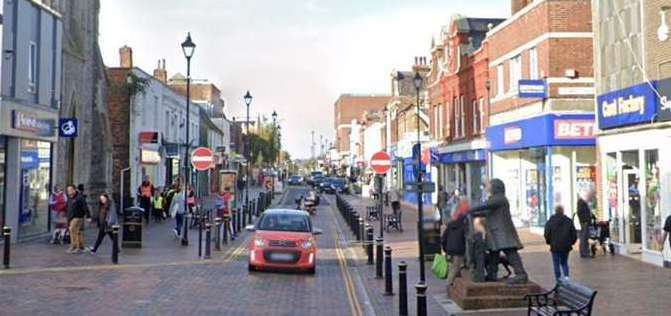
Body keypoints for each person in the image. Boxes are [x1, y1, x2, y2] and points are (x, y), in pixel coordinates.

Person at [469, 179, 528, 284]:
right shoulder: (494, 199)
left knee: (510, 252)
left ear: (495, 187)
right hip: (495, 232)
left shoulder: (499, 199)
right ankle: (492, 274)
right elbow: (486, 212)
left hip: (502, 231)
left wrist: (470, 209)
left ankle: (521, 274)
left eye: (488, 186)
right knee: (493, 253)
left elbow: (485, 206)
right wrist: (474, 214)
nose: (487, 188)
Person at [544, 205, 577, 282]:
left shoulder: (550, 221)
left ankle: (558, 280)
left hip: (555, 246)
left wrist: (549, 242)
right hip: (566, 246)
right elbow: (574, 234)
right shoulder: (568, 221)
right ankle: (566, 277)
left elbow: (546, 233)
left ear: (555, 211)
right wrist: (571, 242)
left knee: (556, 264)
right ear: (563, 211)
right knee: (564, 262)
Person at [441, 199, 469, 288]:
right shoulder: (464, 225)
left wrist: (445, 248)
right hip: (458, 250)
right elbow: (465, 238)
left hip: (450, 249)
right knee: (454, 268)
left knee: (453, 267)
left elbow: (444, 237)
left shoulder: (450, 225)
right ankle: (448, 286)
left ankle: (455, 285)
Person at [66, 184, 89, 253]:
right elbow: (69, 207)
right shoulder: (69, 197)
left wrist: (88, 216)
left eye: (70, 190)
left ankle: (74, 246)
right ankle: (81, 246)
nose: (69, 191)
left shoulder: (79, 197)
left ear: (74, 190)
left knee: (72, 230)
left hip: (78, 217)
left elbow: (85, 206)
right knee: (79, 232)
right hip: (71, 217)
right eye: (68, 190)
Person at [577, 190, 595, 258]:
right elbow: (581, 213)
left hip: (584, 222)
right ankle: (584, 253)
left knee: (584, 238)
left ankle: (585, 252)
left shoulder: (582, 202)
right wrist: (585, 221)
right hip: (584, 223)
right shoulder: (581, 202)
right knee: (584, 238)